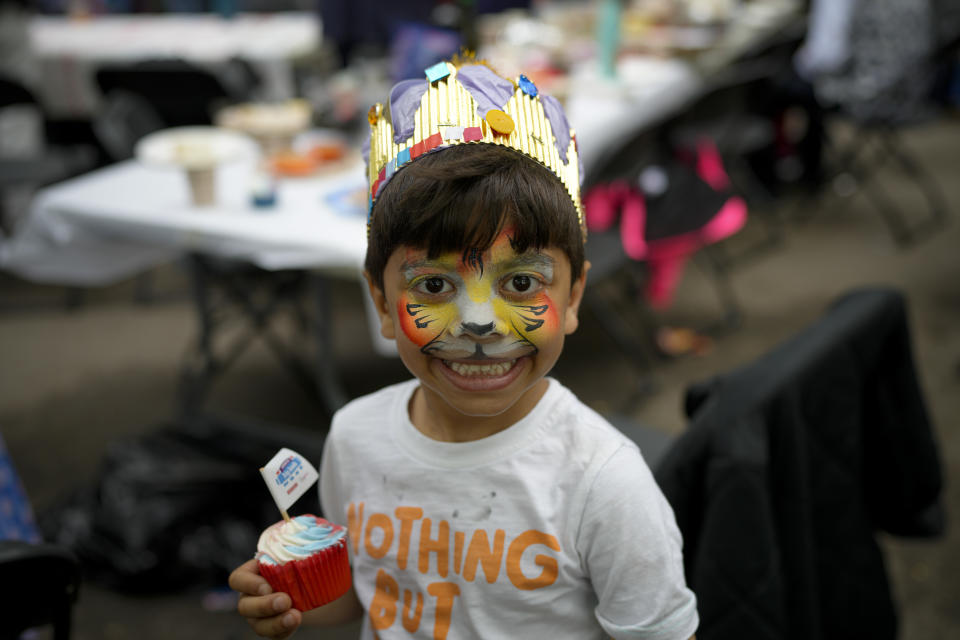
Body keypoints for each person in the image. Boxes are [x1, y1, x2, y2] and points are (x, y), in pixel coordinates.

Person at [229, 58, 699, 640]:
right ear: (380, 301)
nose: (479, 323)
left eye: (522, 283)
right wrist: (292, 602)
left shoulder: (604, 483)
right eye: (433, 285)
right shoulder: (354, 438)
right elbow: (371, 594)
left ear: (573, 296)